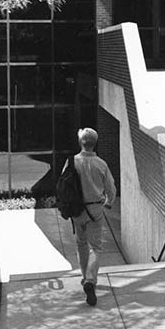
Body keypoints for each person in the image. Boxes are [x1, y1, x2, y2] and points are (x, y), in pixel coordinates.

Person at [71, 127, 116, 306]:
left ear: (80, 142)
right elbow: (111, 187)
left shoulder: (71, 162)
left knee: (80, 244)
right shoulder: (101, 164)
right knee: (95, 247)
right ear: (95, 143)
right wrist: (109, 202)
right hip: (95, 209)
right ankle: (90, 280)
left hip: (77, 210)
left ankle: (84, 277)